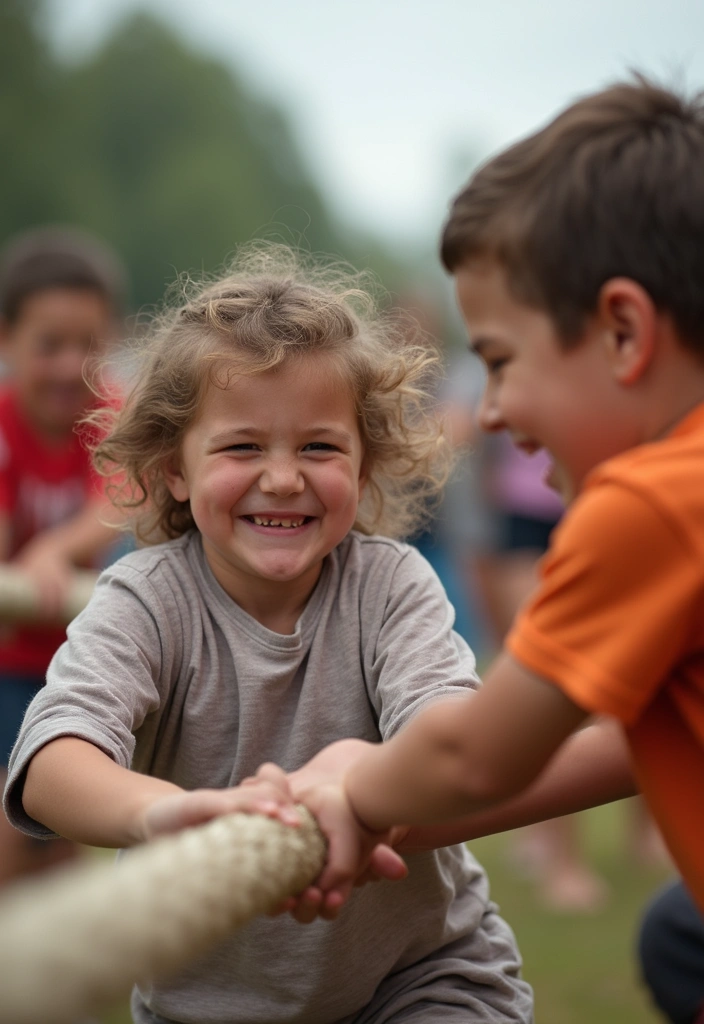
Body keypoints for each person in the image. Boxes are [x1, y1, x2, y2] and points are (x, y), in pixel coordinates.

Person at [241, 78, 704, 1021]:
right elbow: (624, 748)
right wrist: (388, 810)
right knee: (676, 937)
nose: (486, 411)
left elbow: (472, 755)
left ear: (623, 332)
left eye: (498, 360)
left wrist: (355, 785)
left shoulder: (650, 506)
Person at [4, 246, 533, 1024]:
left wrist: (364, 783)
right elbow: (52, 759)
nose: (283, 478)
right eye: (242, 446)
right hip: (209, 1005)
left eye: (319, 446)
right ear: (174, 467)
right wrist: (161, 813)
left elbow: (448, 731)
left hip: (420, 976)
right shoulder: (145, 601)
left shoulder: (392, 585)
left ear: (363, 464)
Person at [0, 226, 125, 885]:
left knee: (65, 835)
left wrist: (51, 550)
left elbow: (121, 499)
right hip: (8, 663)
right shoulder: (3, 422)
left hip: (83, 662)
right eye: (50, 345)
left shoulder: (113, 416)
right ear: (7, 340)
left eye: (90, 346)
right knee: (10, 840)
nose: (70, 366)